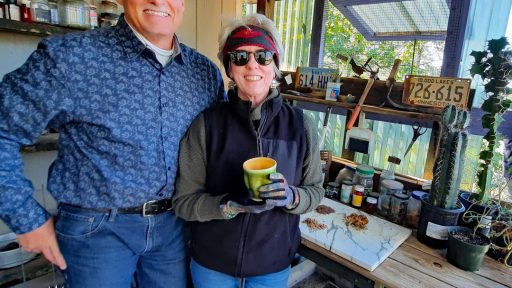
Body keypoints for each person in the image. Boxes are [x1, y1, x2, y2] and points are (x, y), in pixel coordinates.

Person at [0, 0, 225, 286]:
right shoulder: (71, 57)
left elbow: (221, 144)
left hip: (175, 228)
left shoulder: (204, 74)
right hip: (96, 233)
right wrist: (26, 218)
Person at [173, 13, 324, 288]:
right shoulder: (206, 125)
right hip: (212, 265)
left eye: (263, 56)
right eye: (240, 57)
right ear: (230, 68)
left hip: (272, 265)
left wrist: (290, 196)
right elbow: (184, 203)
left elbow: (315, 191)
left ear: (275, 65)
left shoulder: (301, 126)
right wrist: (228, 206)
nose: (252, 64)